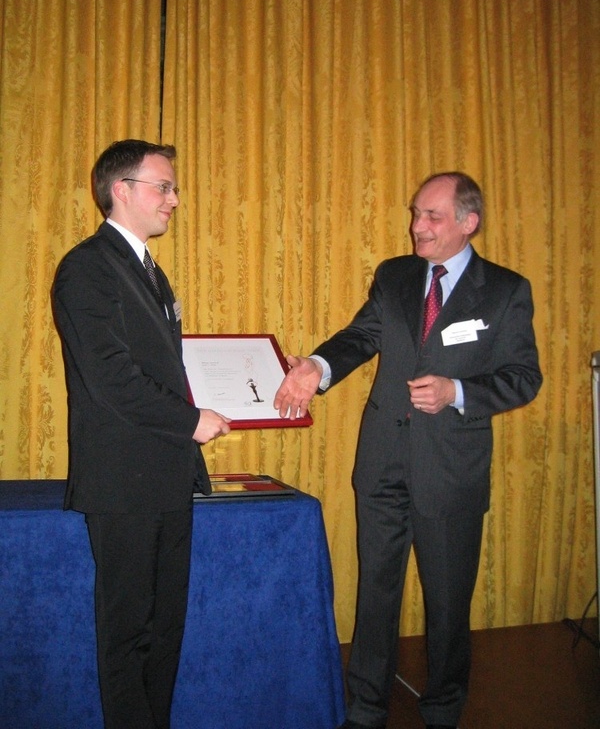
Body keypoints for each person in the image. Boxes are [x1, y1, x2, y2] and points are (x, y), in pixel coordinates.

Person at [274, 172, 542, 729]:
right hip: (382, 462)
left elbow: (523, 377)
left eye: (433, 217)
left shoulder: (506, 290)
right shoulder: (395, 275)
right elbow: (361, 335)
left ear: (469, 223)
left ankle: (443, 707)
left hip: (451, 470)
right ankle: (365, 706)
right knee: (376, 591)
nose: (417, 226)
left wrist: (458, 392)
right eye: (416, 213)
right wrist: (317, 369)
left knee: (447, 601)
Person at [52, 139, 231, 729]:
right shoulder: (87, 267)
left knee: (164, 633)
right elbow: (111, 378)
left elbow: (163, 370)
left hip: (166, 478)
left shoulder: (148, 271)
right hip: (124, 485)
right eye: (164, 186)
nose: (175, 199)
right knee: (128, 636)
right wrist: (191, 419)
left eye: (173, 187)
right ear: (121, 190)